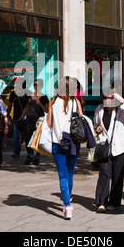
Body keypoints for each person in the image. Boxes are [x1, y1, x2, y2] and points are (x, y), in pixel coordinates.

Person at [47, 77, 83, 220]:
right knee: (70, 172)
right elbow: (81, 121)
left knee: (62, 174)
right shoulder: (76, 102)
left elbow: (49, 123)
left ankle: (67, 206)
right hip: (73, 142)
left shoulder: (52, 101)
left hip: (58, 142)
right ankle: (68, 200)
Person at [93, 91, 124, 212]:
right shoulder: (99, 109)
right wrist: (97, 128)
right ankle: (101, 202)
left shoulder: (120, 109)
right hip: (104, 146)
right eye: (107, 97)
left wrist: (121, 101)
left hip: (120, 147)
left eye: (112, 98)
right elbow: (96, 123)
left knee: (117, 176)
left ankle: (114, 202)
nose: (109, 100)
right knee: (104, 174)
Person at [19, 79, 49, 165]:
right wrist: (22, 116)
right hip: (29, 119)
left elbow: (47, 110)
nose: (36, 86)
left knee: (37, 138)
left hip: (39, 119)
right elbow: (27, 107)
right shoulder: (30, 96)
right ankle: (30, 155)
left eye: (38, 85)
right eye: (35, 85)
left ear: (41, 86)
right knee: (27, 137)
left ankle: (37, 156)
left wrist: (40, 104)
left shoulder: (44, 97)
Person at [8, 79, 30, 159]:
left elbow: (30, 105)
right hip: (16, 118)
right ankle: (16, 152)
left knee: (27, 136)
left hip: (26, 117)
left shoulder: (27, 93)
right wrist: (8, 116)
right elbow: (10, 105)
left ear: (24, 85)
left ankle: (29, 153)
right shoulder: (13, 93)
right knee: (16, 137)